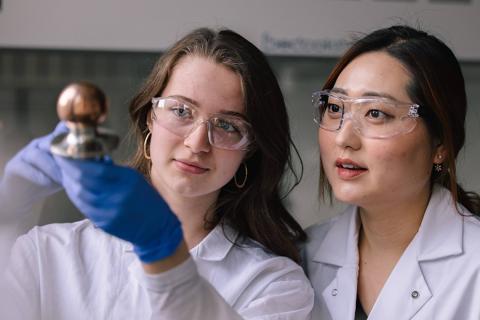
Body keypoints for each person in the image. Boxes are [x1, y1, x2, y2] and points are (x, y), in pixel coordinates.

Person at [1, 28, 314, 319]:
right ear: (150, 118)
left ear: (250, 149)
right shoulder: (48, 253)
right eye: (181, 111)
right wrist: (6, 213)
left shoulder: (272, 283)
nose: (197, 143)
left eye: (227, 126)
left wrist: (165, 254)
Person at [303, 25, 480, 320]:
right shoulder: (301, 256)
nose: (344, 137)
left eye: (376, 113)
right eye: (335, 107)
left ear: (440, 144)